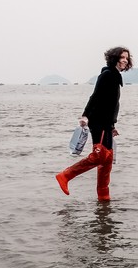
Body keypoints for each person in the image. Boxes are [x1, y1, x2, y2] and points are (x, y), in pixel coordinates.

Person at [56, 46, 133, 201]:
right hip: (98, 122)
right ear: (114, 58)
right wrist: (85, 116)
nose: (124, 60)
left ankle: (104, 197)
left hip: (107, 124)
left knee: (108, 160)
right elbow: (95, 97)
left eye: (126, 57)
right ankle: (65, 175)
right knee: (99, 156)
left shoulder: (115, 76)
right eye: (122, 57)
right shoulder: (107, 75)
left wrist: (112, 126)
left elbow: (112, 104)